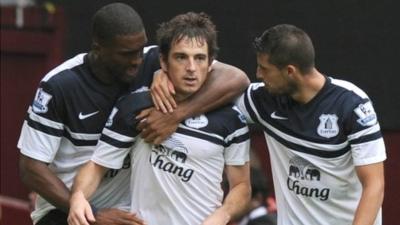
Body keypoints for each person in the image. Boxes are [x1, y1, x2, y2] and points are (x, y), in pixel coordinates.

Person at [17, 3, 249, 225]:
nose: (138, 61)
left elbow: (237, 78)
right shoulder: (60, 86)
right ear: (98, 48)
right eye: (127, 54)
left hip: (126, 209)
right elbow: (31, 169)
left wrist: (176, 114)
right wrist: (91, 214)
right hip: (66, 209)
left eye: (141, 51)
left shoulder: (152, 61)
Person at [236, 24, 386, 225]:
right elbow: (221, 79)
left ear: (290, 71)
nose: (258, 75)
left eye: (264, 68)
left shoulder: (352, 104)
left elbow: (374, 185)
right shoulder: (264, 100)